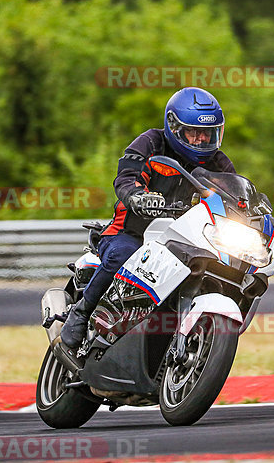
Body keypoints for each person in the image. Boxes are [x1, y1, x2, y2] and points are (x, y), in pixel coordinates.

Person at [60, 87, 236, 349]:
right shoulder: (151, 143)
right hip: (133, 233)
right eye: (193, 132)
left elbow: (235, 196)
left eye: (207, 134)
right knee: (123, 256)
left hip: (184, 242)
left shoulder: (218, 163)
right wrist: (136, 196)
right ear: (175, 128)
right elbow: (126, 176)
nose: (201, 140)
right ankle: (82, 312)